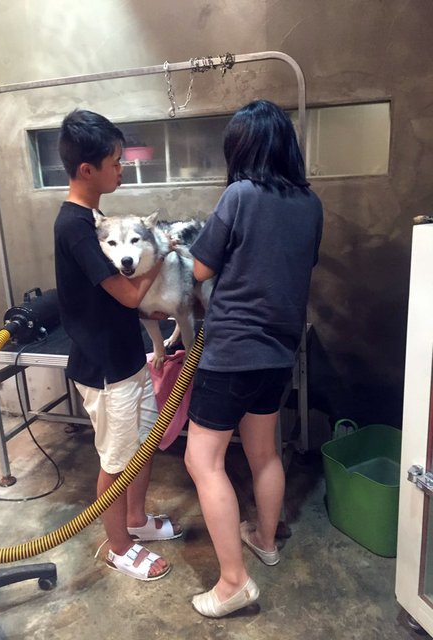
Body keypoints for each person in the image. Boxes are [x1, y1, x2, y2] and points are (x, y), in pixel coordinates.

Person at [184, 100, 323, 616]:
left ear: (242, 149)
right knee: (264, 451)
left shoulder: (239, 195)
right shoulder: (310, 203)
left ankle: (232, 582)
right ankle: (265, 540)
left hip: (231, 352)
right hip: (279, 351)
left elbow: (200, 269)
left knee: (203, 460)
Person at [54, 109, 182, 582]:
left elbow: (115, 300)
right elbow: (127, 293)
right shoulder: (75, 227)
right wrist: (161, 254)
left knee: (141, 448)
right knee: (115, 460)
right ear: (87, 170)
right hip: (105, 367)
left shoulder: (95, 219)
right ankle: (119, 547)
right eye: (115, 162)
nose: (122, 168)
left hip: (128, 357)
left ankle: (135, 520)